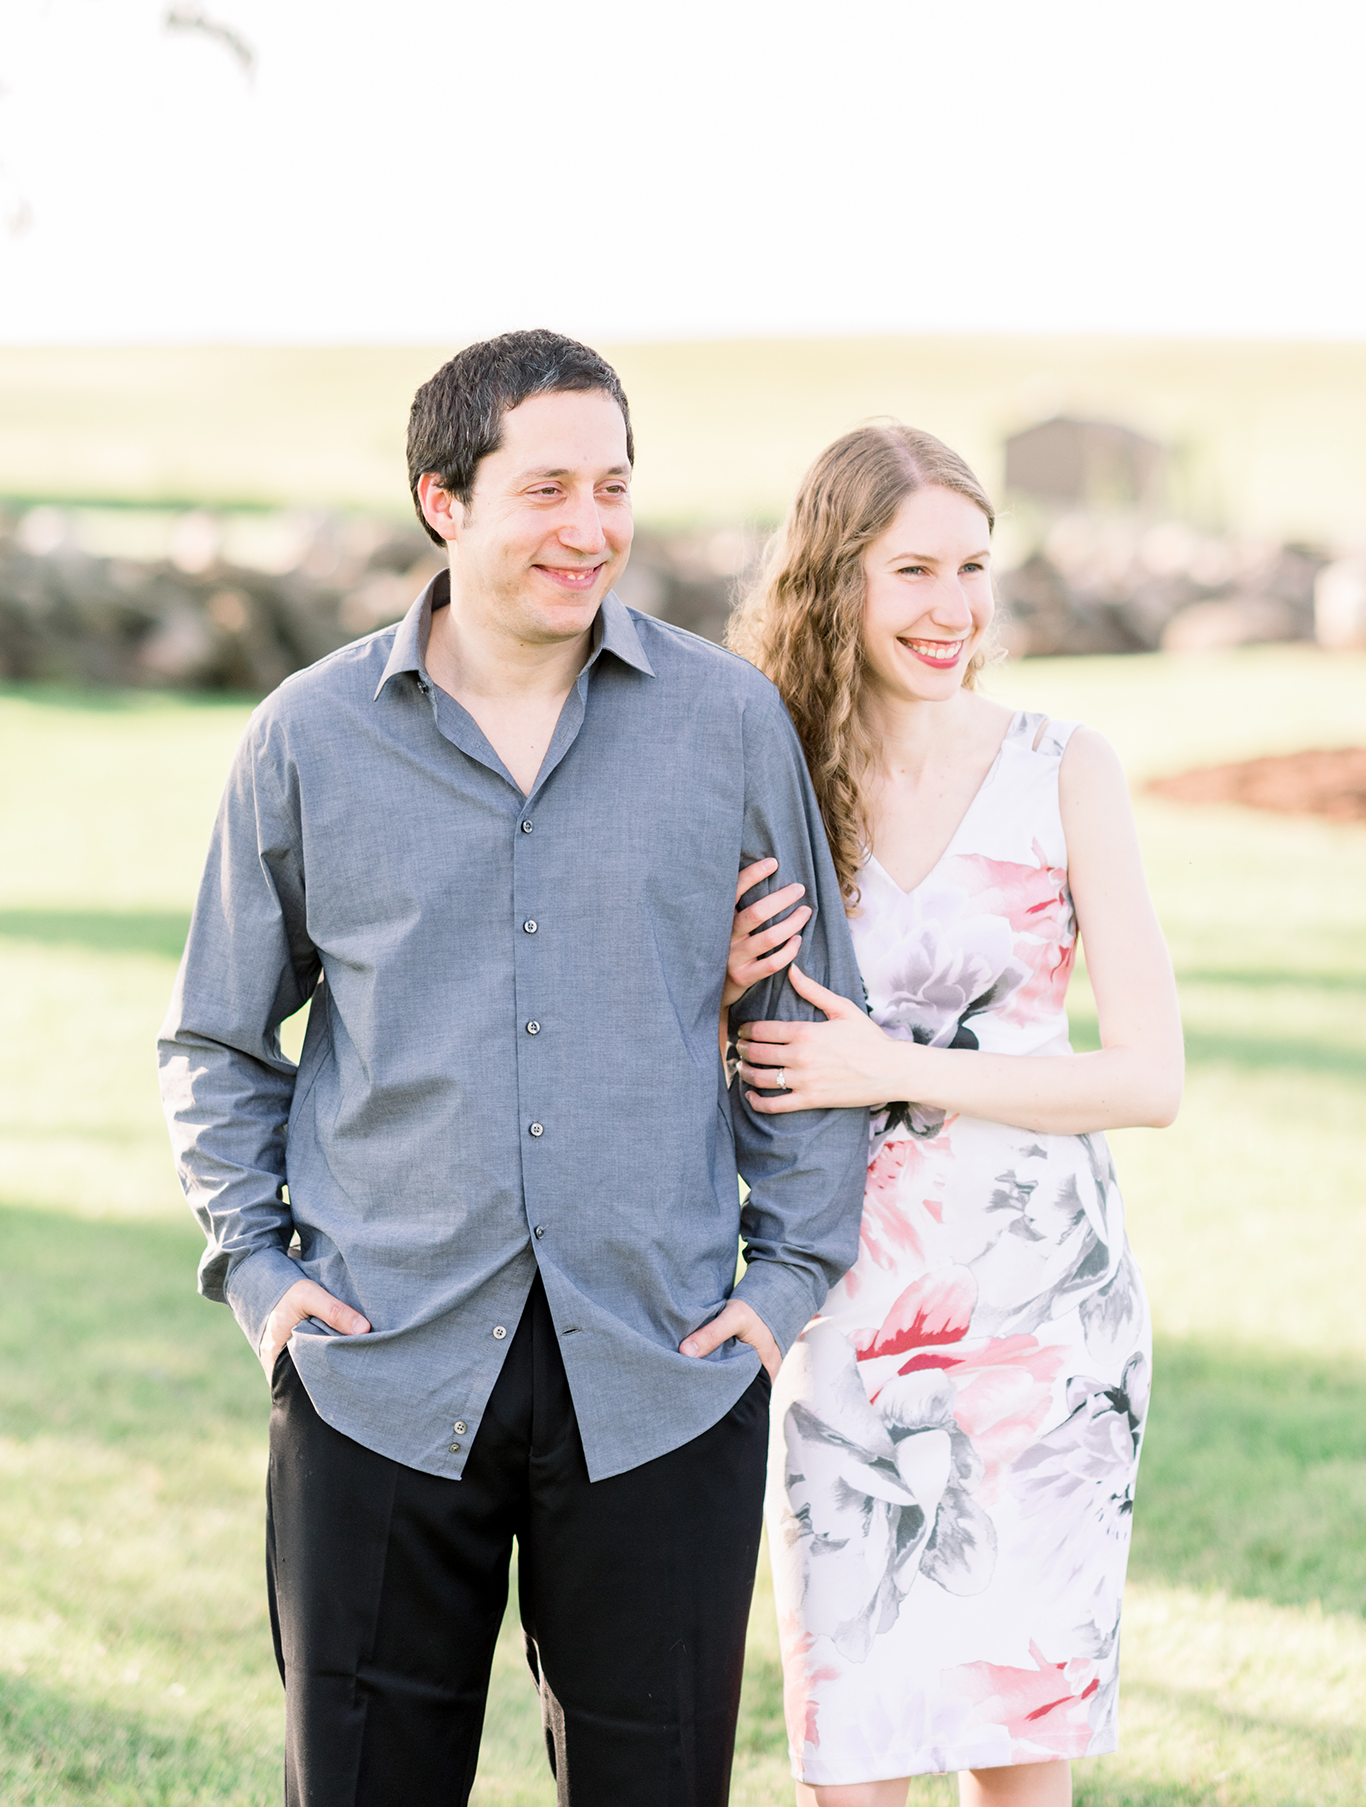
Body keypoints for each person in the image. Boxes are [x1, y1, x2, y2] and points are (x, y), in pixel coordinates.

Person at [158, 331, 871, 1807]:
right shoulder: (308, 738)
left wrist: (779, 1285)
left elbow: (805, 1018)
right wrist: (254, 1271)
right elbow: (221, 1038)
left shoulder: (722, 723)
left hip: (666, 1359)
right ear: (443, 498)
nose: (590, 527)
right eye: (545, 487)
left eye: (612, 486)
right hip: (377, 1353)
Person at [720, 425, 1184, 1807]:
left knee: (1012, 1761)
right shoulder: (770, 774)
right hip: (845, 1309)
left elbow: (1144, 1077)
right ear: (831, 580)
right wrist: (723, 985)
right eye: (911, 569)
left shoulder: (1062, 767)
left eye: (973, 569)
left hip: (1044, 1322)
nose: (952, 609)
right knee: (850, 1763)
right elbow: (723, 1064)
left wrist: (901, 1073)